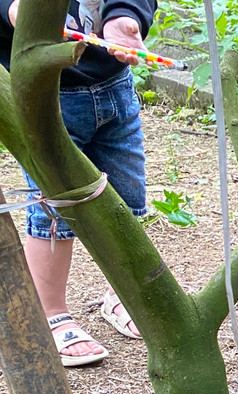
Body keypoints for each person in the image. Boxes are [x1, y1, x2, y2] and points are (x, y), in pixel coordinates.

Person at [1, 0, 153, 367]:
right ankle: (51, 312)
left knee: (127, 201)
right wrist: (15, 10)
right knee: (55, 207)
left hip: (114, 85)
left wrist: (124, 16)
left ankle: (124, 295)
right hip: (44, 94)